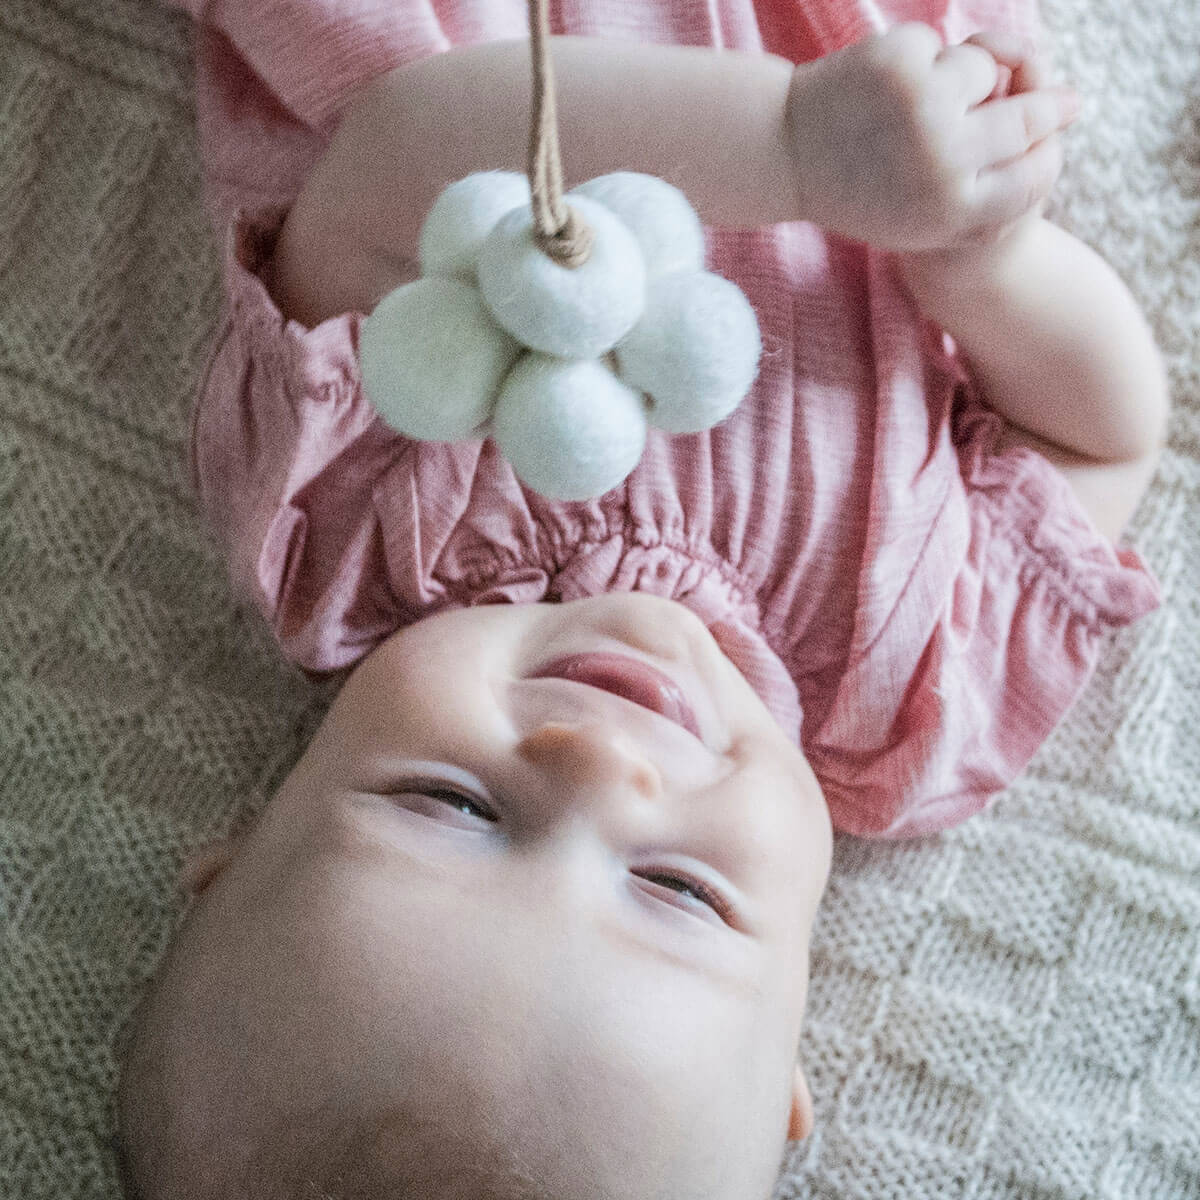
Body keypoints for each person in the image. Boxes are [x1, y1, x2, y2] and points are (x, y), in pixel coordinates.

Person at [114, 0, 1169, 1197]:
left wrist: (793, 149)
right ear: (787, 1054)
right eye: (677, 889)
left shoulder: (345, 537)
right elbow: (1097, 440)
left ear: (245, 843)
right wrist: (985, 261)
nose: (600, 766)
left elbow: (399, 159)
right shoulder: (919, 699)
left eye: (450, 803)